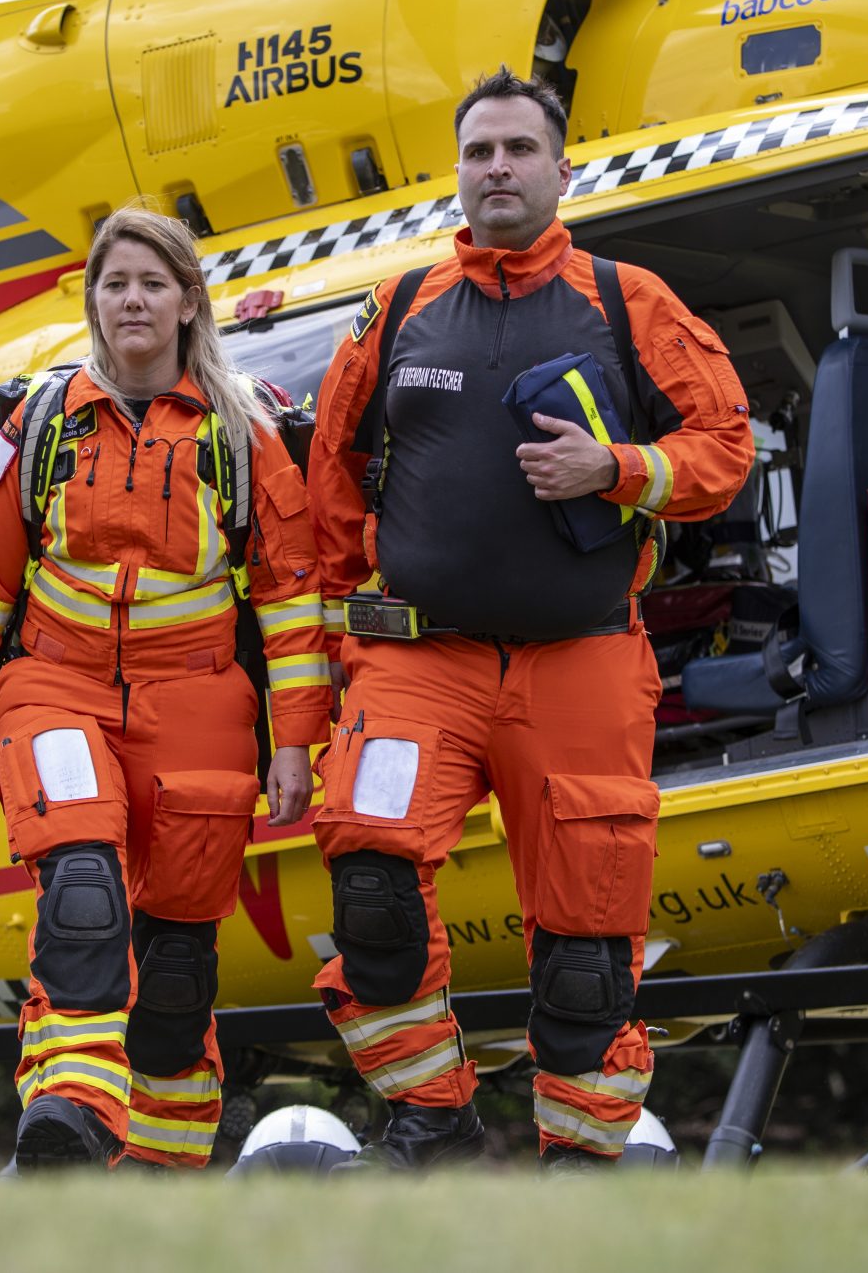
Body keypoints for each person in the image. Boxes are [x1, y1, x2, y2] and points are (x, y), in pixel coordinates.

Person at [307, 68, 754, 1169]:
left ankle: (580, 1171)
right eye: (477, 153)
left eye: (517, 149)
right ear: (456, 174)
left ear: (563, 167)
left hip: (584, 666)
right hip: (418, 664)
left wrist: (617, 466)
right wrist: (328, 655)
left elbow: (725, 451)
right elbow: (327, 479)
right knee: (369, 891)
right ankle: (433, 1121)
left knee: (589, 952)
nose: (496, 168)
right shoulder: (400, 308)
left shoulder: (628, 299)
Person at [0, 205, 333, 1172]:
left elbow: (287, 597)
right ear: (93, 301)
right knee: (80, 890)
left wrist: (293, 742)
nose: (133, 300)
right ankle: (68, 1112)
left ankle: (162, 1172)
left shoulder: (246, 430)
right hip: (53, 687)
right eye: (115, 284)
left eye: (153, 282)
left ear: (189, 299)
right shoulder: (39, 420)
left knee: (180, 963)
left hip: (199, 707)